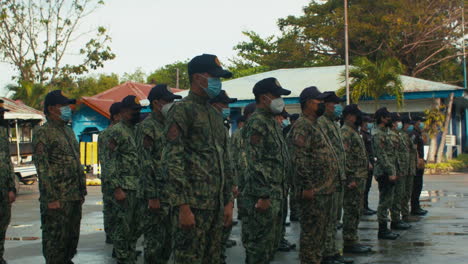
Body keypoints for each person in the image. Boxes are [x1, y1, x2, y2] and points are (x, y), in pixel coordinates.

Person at [162, 54, 234, 264]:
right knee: (189, 258)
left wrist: (229, 201)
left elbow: (225, 159)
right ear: (197, 78)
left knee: (213, 258)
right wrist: (183, 206)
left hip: (216, 205)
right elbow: (172, 160)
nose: (217, 82)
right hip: (194, 207)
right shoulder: (182, 110)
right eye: (213, 76)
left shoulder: (213, 114)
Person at [32, 90, 87, 264]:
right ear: (51, 108)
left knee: (71, 238)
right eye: (63, 106)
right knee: (55, 242)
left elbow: (76, 162)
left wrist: (82, 190)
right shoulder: (43, 132)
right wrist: (51, 197)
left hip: (73, 196)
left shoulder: (68, 131)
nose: (67, 109)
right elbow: (42, 167)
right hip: (57, 198)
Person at [241, 77, 291, 264]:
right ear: (264, 98)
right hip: (262, 196)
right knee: (258, 249)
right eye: (276, 95)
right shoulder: (257, 123)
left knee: (270, 247)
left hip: (275, 194)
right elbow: (254, 160)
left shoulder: (270, 121)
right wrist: (263, 194)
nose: (280, 100)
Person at [288, 86, 336, 264]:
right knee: (311, 236)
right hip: (313, 192)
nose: (323, 104)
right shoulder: (303, 126)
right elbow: (299, 159)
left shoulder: (315, 124)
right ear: (308, 103)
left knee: (319, 235)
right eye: (319, 102)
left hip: (323, 190)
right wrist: (307, 186)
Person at [136, 85, 182, 264]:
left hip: (170, 195)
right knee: (155, 244)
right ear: (156, 103)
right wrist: (152, 196)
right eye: (168, 101)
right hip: (155, 196)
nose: (172, 105)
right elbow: (145, 164)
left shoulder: (170, 126)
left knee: (169, 243)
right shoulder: (147, 127)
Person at [106, 95, 143, 264]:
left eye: (138, 110)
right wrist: (116, 188)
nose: (136, 114)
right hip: (124, 188)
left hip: (138, 187)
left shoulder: (137, 130)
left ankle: (129, 253)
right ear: (123, 112)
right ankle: (122, 257)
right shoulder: (116, 132)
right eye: (133, 111)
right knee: (123, 226)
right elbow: (109, 161)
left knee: (136, 226)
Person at [317, 92, 352, 264]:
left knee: (334, 217)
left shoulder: (333, 124)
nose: (338, 107)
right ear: (325, 104)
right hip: (327, 179)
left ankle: (332, 251)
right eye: (335, 104)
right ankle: (326, 253)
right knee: (327, 218)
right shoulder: (321, 123)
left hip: (337, 177)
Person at [208, 90, 238, 264]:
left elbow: (227, 160)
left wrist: (232, 184)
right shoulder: (206, 126)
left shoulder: (222, 126)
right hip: (206, 194)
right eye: (223, 104)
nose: (226, 108)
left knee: (221, 232)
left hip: (223, 191)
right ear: (213, 105)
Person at [341, 104, 372, 254]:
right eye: (357, 115)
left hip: (360, 177)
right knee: (351, 210)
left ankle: (353, 239)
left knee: (356, 210)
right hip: (353, 178)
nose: (360, 119)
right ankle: (349, 241)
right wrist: (350, 177)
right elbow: (345, 157)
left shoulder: (353, 132)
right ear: (349, 116)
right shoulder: (346, 132)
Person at [373, 107, 399, 240]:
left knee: (388, 199)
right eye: (388, 117)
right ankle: (382, 230)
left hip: (389, 170)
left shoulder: (385, 133)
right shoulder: (378, 134)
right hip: (384, 172)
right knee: (384, 201)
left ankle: (385, 229)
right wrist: (390, 171)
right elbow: (382, 155)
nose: (391, 119)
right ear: (382, 118)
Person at [98, 102, 122, 246]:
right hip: (111, 178)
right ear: (115, 116)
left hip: (114, 177)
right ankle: (112, 237)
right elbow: (108, 159)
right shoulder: (108, 134)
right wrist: (114, 182)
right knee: (111, 209)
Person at [389, 113, 412, 230]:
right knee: (397, 196)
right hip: (397, 170)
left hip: (402, 169)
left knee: (401, 194)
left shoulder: (398, 135)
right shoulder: (392, 136)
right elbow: (394, 155)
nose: (399, 124)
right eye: (397, 122)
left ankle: (397, 218)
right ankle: (395, 219)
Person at [0, 100, 16, 264]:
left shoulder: (3, 133)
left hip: (3, 189)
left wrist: (11, 188)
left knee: (3, 222)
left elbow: (7, 162)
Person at [401, 116, 418, 222]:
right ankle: (403, 214)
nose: (409, 126)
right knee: (402, 193)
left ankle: (406, 213)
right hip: (404, 169)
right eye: (408, 124)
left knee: (407, 192)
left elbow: (413, 150)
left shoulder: (407, 136)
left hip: (410, 168)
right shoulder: (401, 136)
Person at [411, 116, 428, 216]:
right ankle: (414, 208)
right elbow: (414, 149)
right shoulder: (413, 134)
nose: (421, 123)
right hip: (417, 163)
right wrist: (417, 161)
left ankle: (417, 206)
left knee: (419, 186)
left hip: (420, 162)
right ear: (415, 123)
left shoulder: (419, 133)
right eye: (420, 121)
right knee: (416, 186)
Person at [360, 115, 376, 215]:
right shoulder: (362, 134)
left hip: (371, 163)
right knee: (364, 187)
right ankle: (363, 207)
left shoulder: (368, 134)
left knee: (368, 186)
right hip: (366, 164)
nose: (369, 124)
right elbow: (363, 150)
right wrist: (368, 162)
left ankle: (366, 206)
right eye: (368, 122)